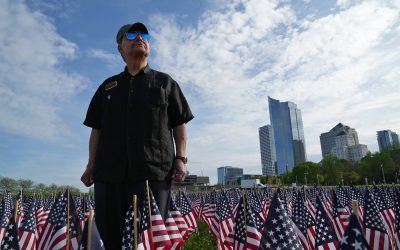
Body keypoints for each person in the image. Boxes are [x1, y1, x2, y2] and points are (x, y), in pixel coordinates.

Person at [80, 22, 194, 249]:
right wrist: (91, 164)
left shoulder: (165, 83)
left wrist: (180, 158)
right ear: (120, 48)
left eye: (144, 35)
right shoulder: (107, 87)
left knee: (149, 240)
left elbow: (179, 123)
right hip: (109, 175)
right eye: (131, 34)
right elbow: (96, 131)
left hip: (153, 174)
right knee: (110, 238)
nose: (139, 37)